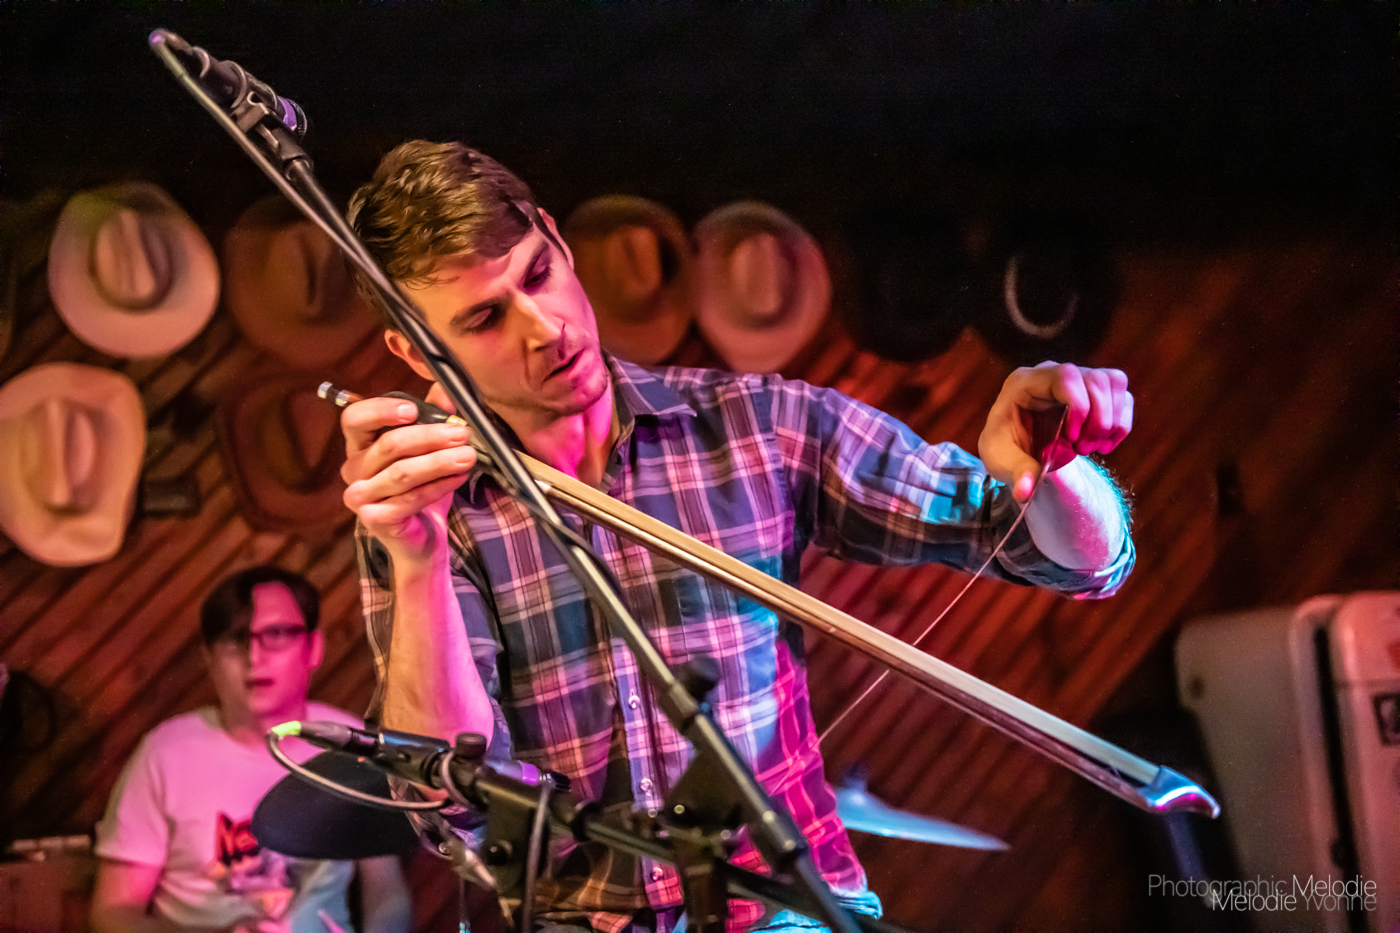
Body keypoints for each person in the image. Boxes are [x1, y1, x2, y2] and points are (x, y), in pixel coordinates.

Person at [338, 141, 1135, 933]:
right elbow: (449, 797)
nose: (543, 327)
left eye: (538, 274)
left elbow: (1074, 560)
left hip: (780, 913)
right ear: (413, 348)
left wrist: (1056, 466)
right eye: (485, 318)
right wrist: (418, 559)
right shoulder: (431, 514)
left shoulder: (757, 423)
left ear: (556, 238)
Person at [91, 566, 413, 933]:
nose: (255, 656)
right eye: (236, 639)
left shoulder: (351, 745)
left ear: (314, 647)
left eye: (276, 634)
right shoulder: (166, 754)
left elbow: (387, 893)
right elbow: (112, 913)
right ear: (208, 658)